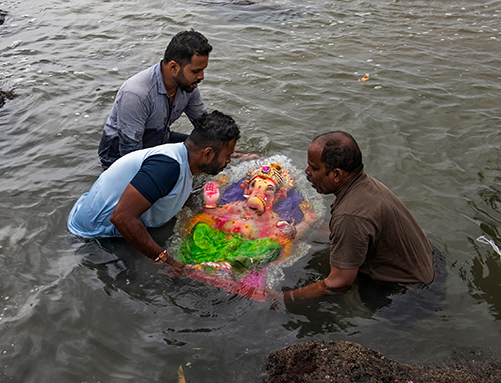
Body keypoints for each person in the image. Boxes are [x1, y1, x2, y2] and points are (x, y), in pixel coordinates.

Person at [68, 110, 240, 270]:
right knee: (158, 276)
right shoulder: (167, 167)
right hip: (93, 236)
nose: (229, 161)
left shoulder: (185, 160)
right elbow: (122, 218)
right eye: (227, 155)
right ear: (208, 153)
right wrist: (167, 261)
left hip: (107, 219)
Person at [282, 131, 435, 301]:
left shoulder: (349, 215)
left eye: (315, 168)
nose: (307, 171)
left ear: (337, 175)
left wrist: (281, 297)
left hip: (409, 294)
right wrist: (303, 229)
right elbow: (347, 235)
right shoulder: (365, 185)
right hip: (429, 264)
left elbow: (339, 283)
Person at [98, 29, 212, 168]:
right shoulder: (136, 94)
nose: (201, 76)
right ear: (174, 67)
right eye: (196, 71)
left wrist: (228, 152)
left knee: (208, 150)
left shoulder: (188, 85)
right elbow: (130, 153)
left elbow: (204, 125)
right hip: (119, 155)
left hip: (158, 139)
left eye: (202, 70)